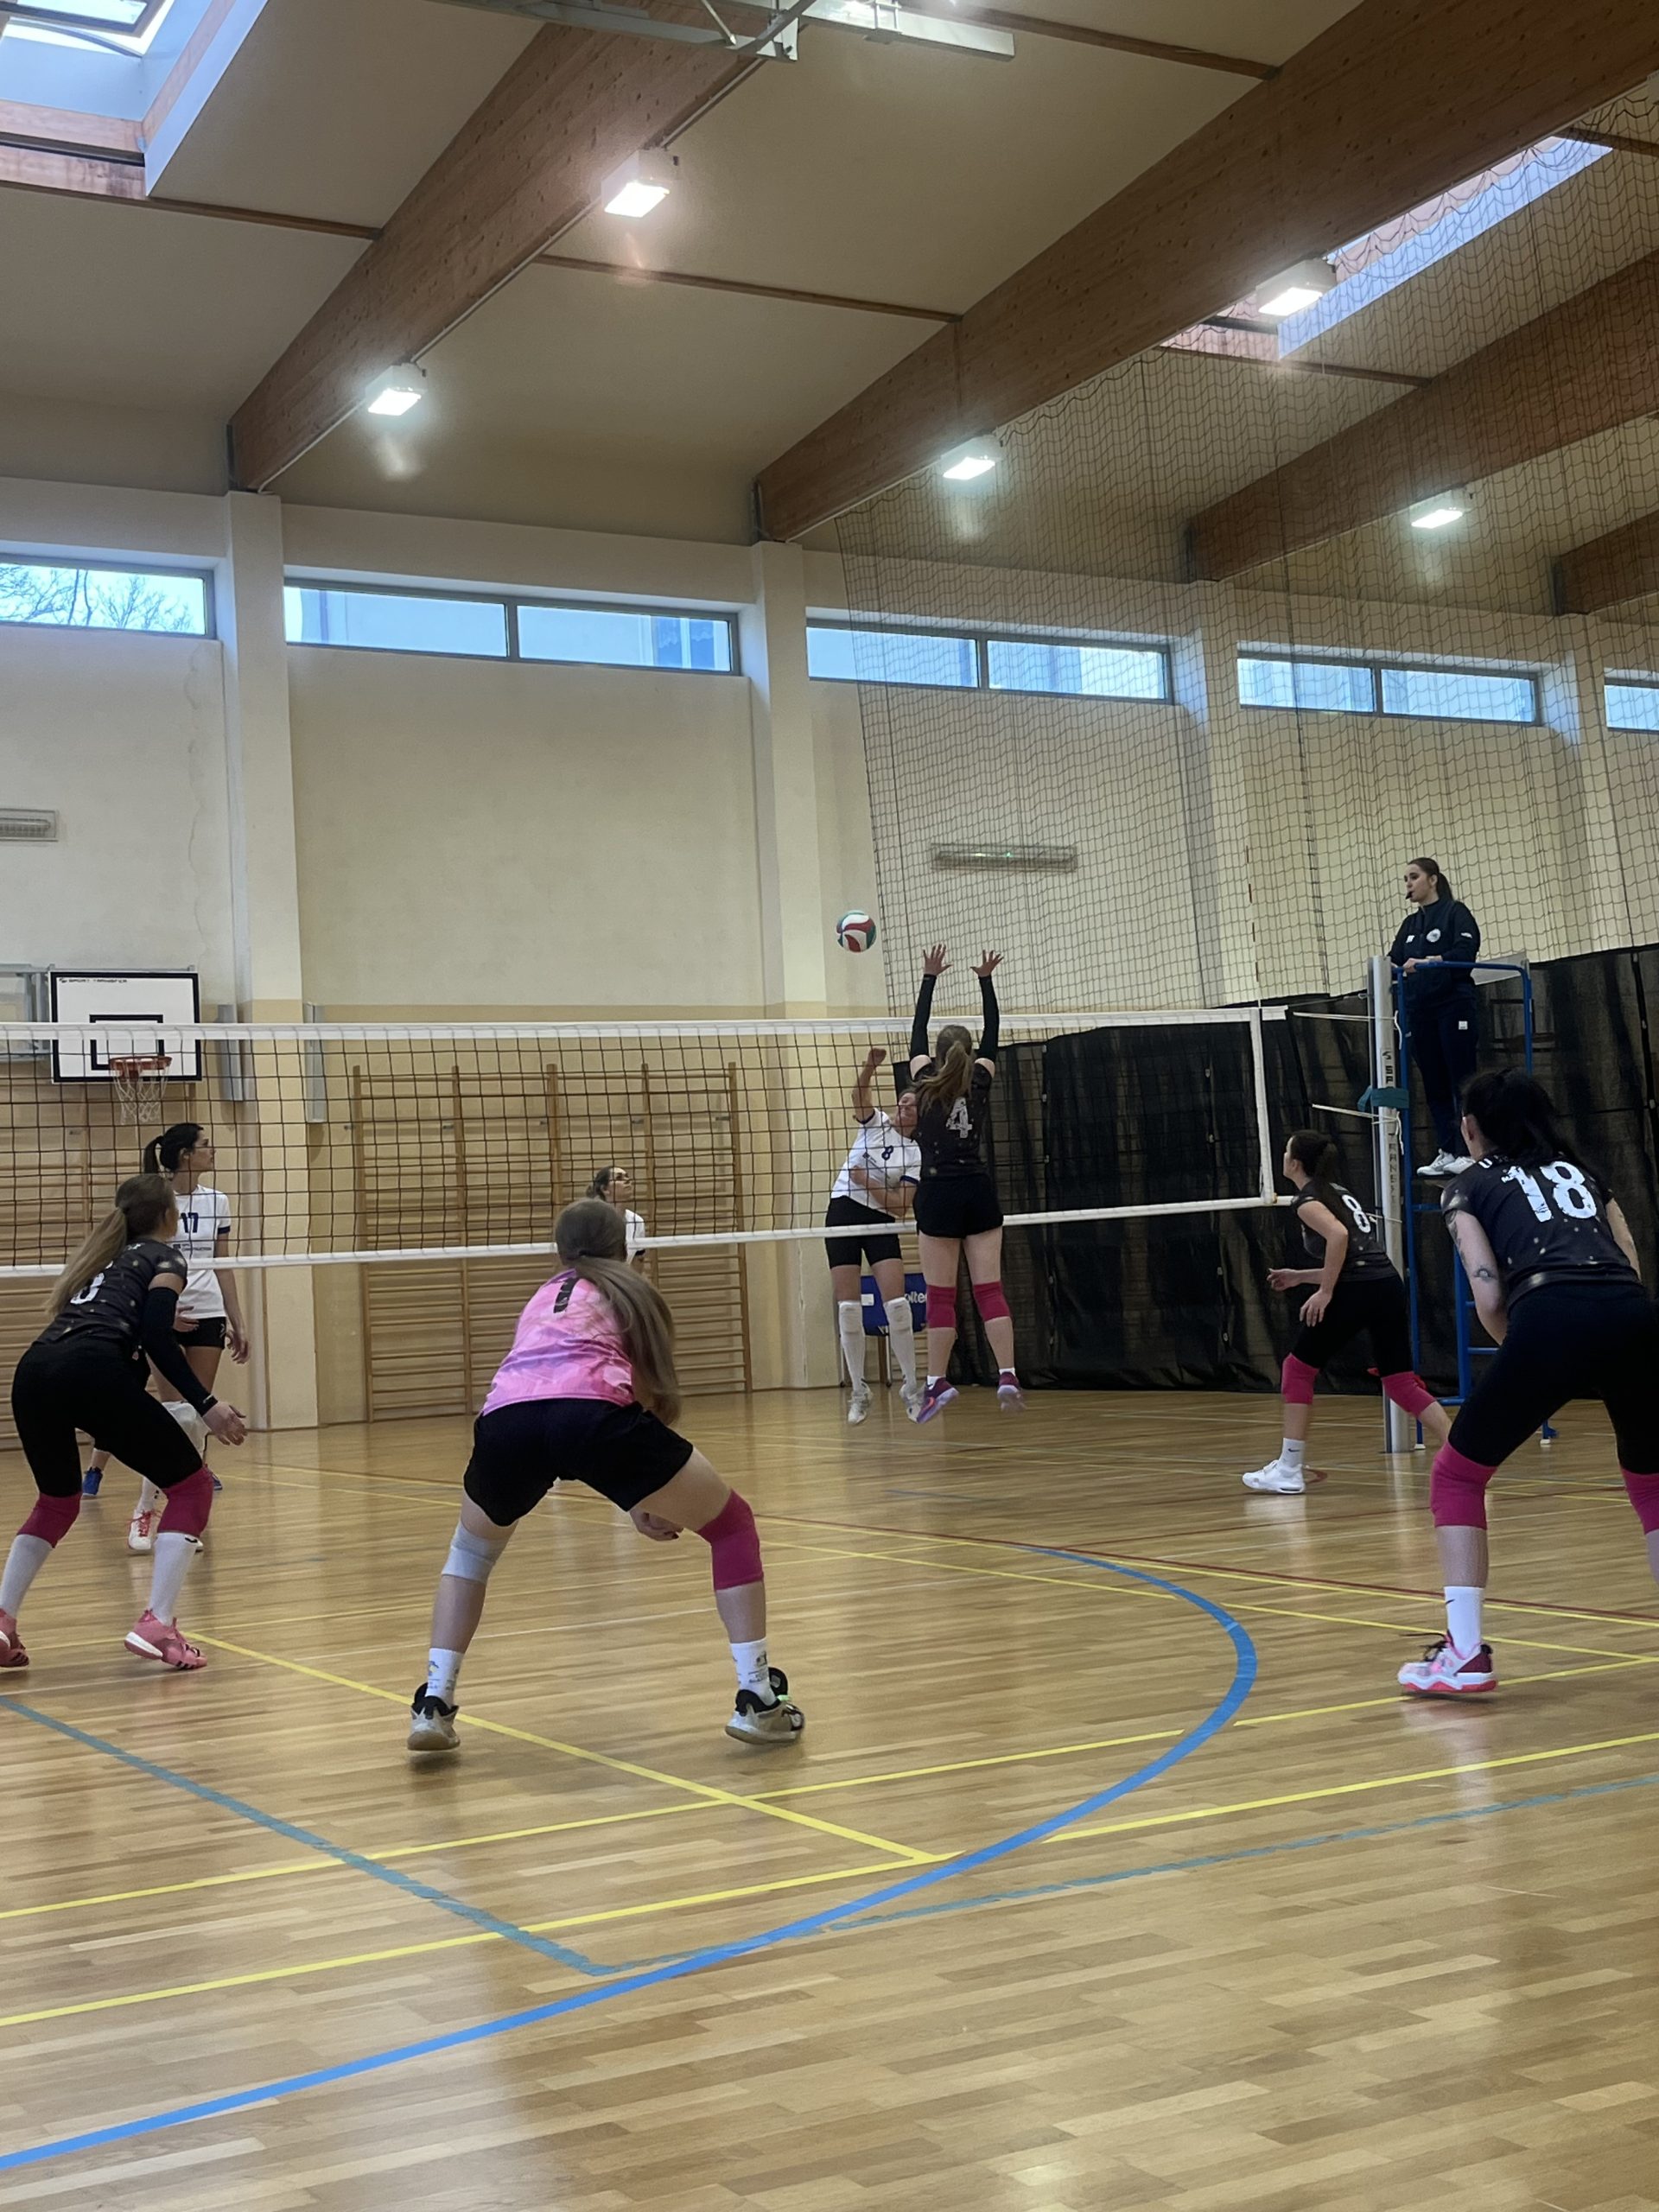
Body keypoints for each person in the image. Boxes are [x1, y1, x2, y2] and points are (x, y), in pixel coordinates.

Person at [406, 1198, 804, 1752]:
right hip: (591, 1417)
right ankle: (758, 1696)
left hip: (505, 1422)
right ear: (625, 1246)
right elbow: (650, 1393)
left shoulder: (541, 1297)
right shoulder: (633, 1292)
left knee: (470, 1555)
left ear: (559, 1251)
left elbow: (549, 1394)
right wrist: (646, 1497)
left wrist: (636, 1496)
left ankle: (434, 1703)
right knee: (731, 1525)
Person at [1399, 1068, 1659, 1696]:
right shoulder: (1586, 1175)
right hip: (1633, 1315)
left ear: (1469, 1128)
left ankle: (1465, 1654)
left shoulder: (1466, 1186)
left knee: (1457, 1476)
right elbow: (1629, 1261)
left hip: (1548, 1318)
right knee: (1653, 1483)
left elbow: (1489, 1292)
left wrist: (1531, 1360)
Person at [2, 1173, 247, 1672]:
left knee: (56, 1502)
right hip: (92, 1370)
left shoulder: (100, 1259)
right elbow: (157, 1338)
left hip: (35, 1371)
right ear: (169, 1216)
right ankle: (157, 1624)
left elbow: (134, 1331)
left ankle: (1, 1620)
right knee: (192, 1487)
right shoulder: (165, 1258)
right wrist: (207, 1404)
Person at [1243, 1130, 1449, 1494]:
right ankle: (1464, 1454)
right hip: (1385, 1283)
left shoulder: (1307, 1200)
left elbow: (1338, 1238)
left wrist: (1324, 1292)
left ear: (1295, 1163)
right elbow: (1357, 1258)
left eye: (1286, 1150)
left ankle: (1289, 1468)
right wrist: (1301, 1277)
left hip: (1358, 1290)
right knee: (1400, 1382)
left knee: (1297, 1369)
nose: (1283, 1156)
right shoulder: (1336, 1191)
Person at [82, 1122, 249, 1557]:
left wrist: (237, 1319)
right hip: (162, 1310)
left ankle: (182, 1520)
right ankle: (144, 1510)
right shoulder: (155, 1200)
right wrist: (161, 1311)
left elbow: (223, 1265)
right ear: (184, 1155)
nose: (212, 1150)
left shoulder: (218, 1201)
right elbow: (135, 1261)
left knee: (194, 1417)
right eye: (204, 1145)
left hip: (207, 1310)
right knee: (174, 1414)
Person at [904, 944, 1020, 1423]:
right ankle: (1008, 1374)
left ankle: (936, 1383)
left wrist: (929, 978)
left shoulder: (923, 1080)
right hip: (978, 1190)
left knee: (941, 1296)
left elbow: (915, 1033)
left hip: (937, 1193)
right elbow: (993, 1033)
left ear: (936, 1054)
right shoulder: (981, 1080)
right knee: (989, 1289)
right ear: (970, 1053)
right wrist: (986, 982)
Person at [825, 1048, 921, 1421]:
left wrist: (867, 1181)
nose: (903, 1106)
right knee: (849, 1308)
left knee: (897, 1306)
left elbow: (901, 1206)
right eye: (902, 1101)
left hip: (880, 1220)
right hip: (844, 1211)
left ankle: (910, 1387)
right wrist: (870, 1066)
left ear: (920, 1116)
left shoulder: (914, 1153)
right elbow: (858, 1095)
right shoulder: (876, 1122)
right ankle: (859, 1390)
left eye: (911, 1105)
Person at [1389, 856, 1482, 1179]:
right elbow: (1394, 959)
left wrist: (1430, 961)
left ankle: (1470, 1151)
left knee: (1461, 1080)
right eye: (1406, 879)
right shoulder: (1410, 925)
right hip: (1420, 1010)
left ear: (1433, 880)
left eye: (1414, 877)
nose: (1409, 884)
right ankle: (1448, 1150)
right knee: (1434, 1082)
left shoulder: (1456, 913)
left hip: (1453, 1004)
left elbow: (1465, 954)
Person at [587, 1165, 647, 1268]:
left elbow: (638, 1262)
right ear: (605, 1189)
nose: (627, 1180)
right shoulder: (591, 1220)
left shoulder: (637, 1221)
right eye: (619, 1178)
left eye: (627, 1176)